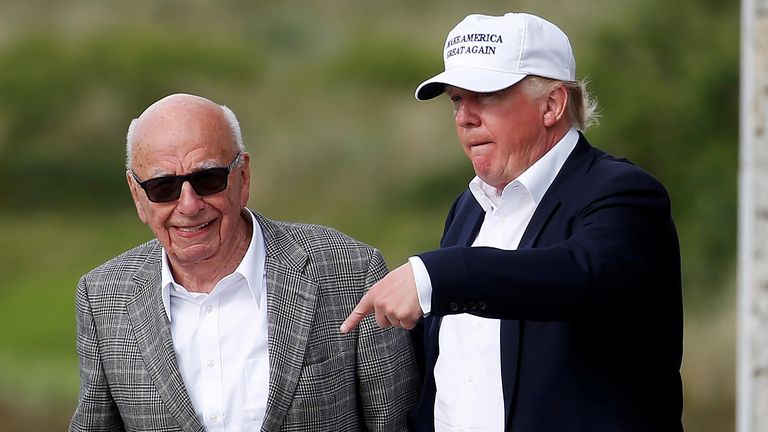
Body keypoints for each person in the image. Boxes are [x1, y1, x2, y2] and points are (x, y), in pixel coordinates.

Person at [341, 12, 683, 431]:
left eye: (484, 96)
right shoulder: (468, 206)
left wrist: (433, 276)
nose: (464, 116)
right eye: (455, 99)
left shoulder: (623, 193)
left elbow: (578, 275)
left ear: (552, 105)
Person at [70, 93, 419, 432]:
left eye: (208, 180)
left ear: (243, 177)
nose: (189, 205)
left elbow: (396, 422)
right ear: (137, 194)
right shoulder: (102, 298)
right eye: (163, 187)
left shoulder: (350, 271)